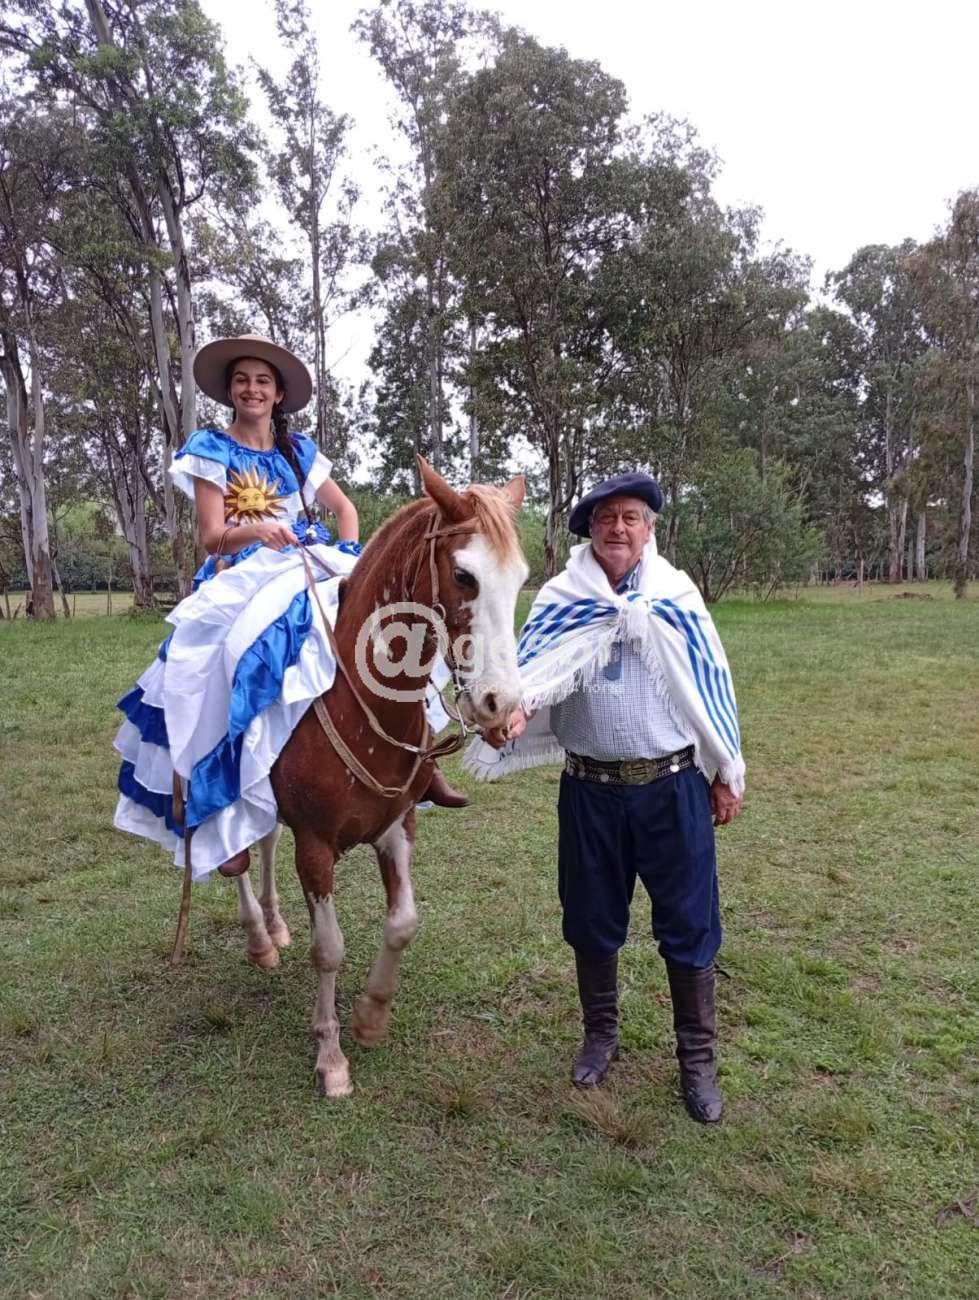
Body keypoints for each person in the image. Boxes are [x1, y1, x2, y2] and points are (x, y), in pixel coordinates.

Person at [113, 333, 464, 882]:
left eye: (263, 381)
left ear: (278, 394)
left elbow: (345, 508)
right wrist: (258, 530)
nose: (252, 389)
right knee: (207, 659)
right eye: (242, 380)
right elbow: (211, 535)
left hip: (312, 560)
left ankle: (421, 758)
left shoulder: (297, 451)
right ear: (230, 391)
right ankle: (217, 801)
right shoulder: (212, 449)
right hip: (241, 570)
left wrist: (351, 551)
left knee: (392, 626)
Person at [470, 472, 745, 1123]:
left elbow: (709, 683)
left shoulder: (676, 595)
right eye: (606, 518)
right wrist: (511, 713)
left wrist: (724, 770)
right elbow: (534, 675)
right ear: (588, 529)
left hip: (673, 788)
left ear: (649, 528)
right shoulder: (562, 598)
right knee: (590, 920)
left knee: (689, 924)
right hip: (590, 792)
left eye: (630, 517)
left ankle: (697, 1061)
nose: (618, 528)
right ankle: (600, 1035)